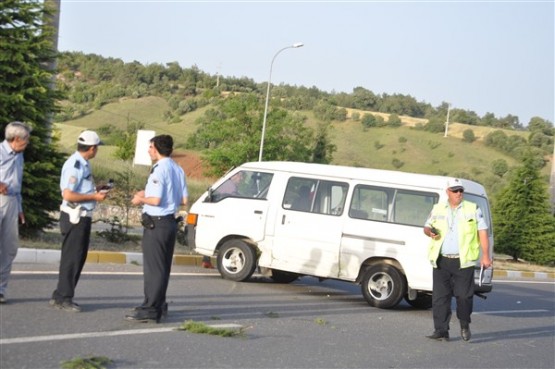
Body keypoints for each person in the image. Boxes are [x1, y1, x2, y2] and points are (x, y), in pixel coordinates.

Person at [126, 134, 188, 323]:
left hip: (157, 222)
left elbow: (156, 200)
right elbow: (184, 200)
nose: (148, 150)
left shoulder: (159, 169)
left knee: (153, 269)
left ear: (157, 149)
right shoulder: (178, 169)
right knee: (162, 268)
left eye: (151, 147)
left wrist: (140, 199)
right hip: (169, 222)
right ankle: (158, 304)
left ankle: (150, 308)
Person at [423, 178, 492, 342]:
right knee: (440, 297)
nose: (459, 193)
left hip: (463, 261)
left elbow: (482, 231)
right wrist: (429, 232)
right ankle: (441, 330)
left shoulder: (472, 209)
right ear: (448, 192)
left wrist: (485, 255)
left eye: (461, 190)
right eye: (455, 190)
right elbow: (426, 226)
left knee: (463, 296)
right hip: (441, 260)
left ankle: (464, 324)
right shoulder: (438, 208)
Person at [50, 130, 108, 312]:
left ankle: (60, 294)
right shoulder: (75, 165)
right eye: (96, 147)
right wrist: (94, 196)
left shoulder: (83, 164)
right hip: (75, 216)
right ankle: (64, 298)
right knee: (73, 258)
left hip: (81, 215)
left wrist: (95, 189)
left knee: (76, 257)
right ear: (92, 148)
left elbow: (80, 188)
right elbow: (68, 194)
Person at [0, 121, 32, 304]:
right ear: (17, 138)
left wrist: (19, 209)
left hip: (12, 203)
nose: (27, 143)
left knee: (9, 248)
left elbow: (17, 185)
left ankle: (1, 290)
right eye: (26, 139)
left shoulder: (19, 156)